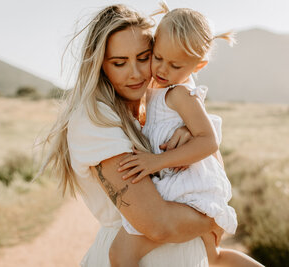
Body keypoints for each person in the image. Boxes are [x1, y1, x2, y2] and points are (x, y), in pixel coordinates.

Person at [36, 4, 225, 267]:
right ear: (100, 65)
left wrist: (187, 130)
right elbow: (157, 225)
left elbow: (213, 169)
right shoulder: (95, 119)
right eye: (119, 63)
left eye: (144, 57)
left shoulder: (161, 104)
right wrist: (214, 218)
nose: (135, 73)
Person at [109, 3, 264, 267]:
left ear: (197, 66)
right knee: (213, 255)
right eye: (157, 57)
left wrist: (154, 162)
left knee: (122, 253)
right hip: (179, 182)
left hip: (183, 186)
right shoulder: (160, 88)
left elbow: (208, 140)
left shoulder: (179, 93)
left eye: (175, 65)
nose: (162, 70)